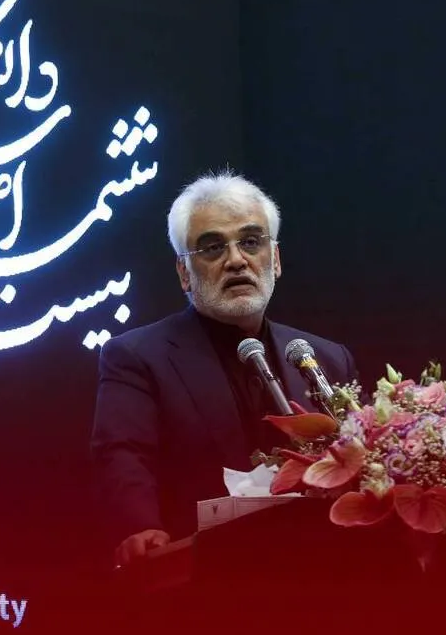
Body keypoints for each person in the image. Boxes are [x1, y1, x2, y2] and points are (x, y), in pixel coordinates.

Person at [91, 170, 359, 568]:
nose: (236, 260)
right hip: (203, 576)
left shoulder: (326, 358)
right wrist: (141, 526)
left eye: (251, 242)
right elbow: (125, 456)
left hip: (321, 569)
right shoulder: (138, 356)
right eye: (213, 247)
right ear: (184, 273)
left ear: (275, 259)